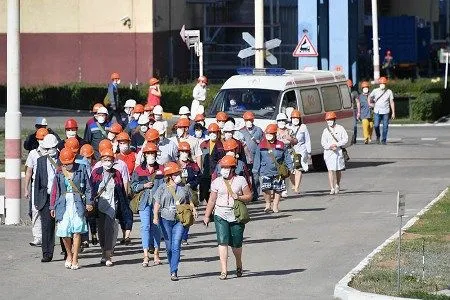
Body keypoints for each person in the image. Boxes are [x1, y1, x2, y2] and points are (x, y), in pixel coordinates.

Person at [203, 156, 253, 280]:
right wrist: (206, 215)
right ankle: (224, 270)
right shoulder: (216, 182)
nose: (224, 170)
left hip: (236, 214)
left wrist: (239, 197)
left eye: (227, 167)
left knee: (236, 244)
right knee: (222, 241)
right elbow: (212, 200)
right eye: (222, 167)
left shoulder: (240, 180)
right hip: (220, 214)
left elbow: (249, 196)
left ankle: (238, 263)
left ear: (233, 168)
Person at [153, 162, 197, 281]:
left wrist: (193, 208)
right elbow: (157, 203)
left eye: (179, 173)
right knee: (169, 247)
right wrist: (155, 217)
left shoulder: (184, 186)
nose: (179, 175)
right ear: (169, 175)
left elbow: (190, 200)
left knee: (176, 244)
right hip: (165, 219)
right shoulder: (162, 188)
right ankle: (172, 265)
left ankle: (174, 271)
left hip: (179, 219)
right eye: (176, 173)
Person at [50, 148, 92, 270]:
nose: (66, 165)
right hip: (63, 204)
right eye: (64, 163)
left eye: (69, 163)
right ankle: (69, 254)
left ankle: (75, 258)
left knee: (77, 230)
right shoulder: (59, 172)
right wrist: (52, 206)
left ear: (73, 160)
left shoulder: (81, 169)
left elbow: (88, 188)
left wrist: (89, 202)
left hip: (78, 202)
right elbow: (55, 191)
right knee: (64, 231)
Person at [91, 148, 131, 266]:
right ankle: (104, 252)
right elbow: (91, 189)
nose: (107, 161)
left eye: (109, 159)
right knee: (101, 231)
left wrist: (124, 207)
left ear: (113, 161)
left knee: (109, 229)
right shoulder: (96, 173)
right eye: (105, 159)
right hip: (99, 206)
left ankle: (108, 256)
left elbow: (121, 191)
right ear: (101, 160)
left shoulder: (117, 173)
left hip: (113, 206)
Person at [131, 142, 164, 267]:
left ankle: (156, 253)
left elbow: (167, 186)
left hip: (157, 203)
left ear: (156, 154)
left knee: (156, 227)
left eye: (152, 153)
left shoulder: (161, 169)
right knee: (145, 227)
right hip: (144, 203)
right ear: (144, 155)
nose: (151, 155)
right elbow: (133, 186)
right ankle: (145, 255)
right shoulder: (138, 170)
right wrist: (143, 186)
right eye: (148, 153)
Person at [252, 124, 293, 213]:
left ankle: (275, 205)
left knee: (277, 189)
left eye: (271, 134)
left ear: (275, 134)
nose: (269, 136)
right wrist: (255, 169)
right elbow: (257, 158)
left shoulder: (281, 144)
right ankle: (267, 204)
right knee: (265, 188)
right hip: (265, 170)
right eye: (267, 134)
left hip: (278, 171)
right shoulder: (261, 145)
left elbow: (287, 157)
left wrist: (290, 166)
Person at [33, 134, 59, 262]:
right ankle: (47, 253)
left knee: (63, 225)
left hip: (60, 198)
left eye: (51, 148)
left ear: (56, 146)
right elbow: (37, 182)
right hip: (45, 198)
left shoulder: (63, 158)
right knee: (46, 227)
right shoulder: (41, 161)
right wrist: (37, 201)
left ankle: (66, 251)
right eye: (46, 149)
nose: (48, 151)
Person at [24, 128, 49, 246]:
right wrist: (26, 188)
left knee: (49, 212)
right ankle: (37, 237)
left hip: (49, 186)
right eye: (39, 139)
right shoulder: (33, 153)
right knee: (35, 211)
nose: (41, 141)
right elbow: (29, 172)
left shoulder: (53, 153)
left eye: (43, 138)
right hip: (36, 186)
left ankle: (48, 237)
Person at [177, 141, 200, 245]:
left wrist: (191, 184)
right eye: (182, 151)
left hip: (190, 193)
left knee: (188, 215)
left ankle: (184, 237)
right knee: (178, 215)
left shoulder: (193, 166)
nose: (184, 153)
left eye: (186, 152)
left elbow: (199, 178)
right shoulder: (175, 164)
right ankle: (177, 235)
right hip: (177, 194)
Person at [321, 112, 348, 195]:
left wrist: (337, 144)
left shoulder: (340, 128)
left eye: (331, 119)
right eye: (328, 120)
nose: (329, 121)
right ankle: (332, 188)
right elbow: (323, 143)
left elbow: (345, 139)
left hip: (338, 152)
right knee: (330, 170)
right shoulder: (325, 131)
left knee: (338, 170)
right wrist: (330, 146)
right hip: (329, 153)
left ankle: (337, 185)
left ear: (334, 119)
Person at [240, 111, 263, 201]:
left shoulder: (259, 130)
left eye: (250, 120)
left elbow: (264, 142)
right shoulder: (241, 131)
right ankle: (247, 194)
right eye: (247, 120)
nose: (248, 121)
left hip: (256, 157)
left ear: (253, 120)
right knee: (245, 176)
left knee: (255, 176)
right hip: (245, 158)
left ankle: (255, 195)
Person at [199, 123, 225, 204]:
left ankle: (214, 206)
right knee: (205, 190)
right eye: (211, 132)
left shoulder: (222, 144)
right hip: (205, 171)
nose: (213, 134)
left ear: (218, 133)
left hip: (217, 171)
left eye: (215, 132)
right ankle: (209, 203)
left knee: (216, 190)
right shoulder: (203, 144)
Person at [275, 113, 298, 197]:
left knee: (288, 171)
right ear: (277, 121)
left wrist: (290, 139)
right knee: (280, 171)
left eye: (283, 120)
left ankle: (286, 188)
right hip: (278, 153)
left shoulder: (290, 131)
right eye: (280, 120)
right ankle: (281, 189)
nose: (281, 122)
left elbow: (296, 141)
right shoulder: (275, 131)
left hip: (289, 152)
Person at [289, 109, 311, 193]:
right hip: (291, 150)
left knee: (298, 168)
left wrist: (309, 152)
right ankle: (294, 183)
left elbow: (307, 140)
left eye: (297, 118)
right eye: (293, 118)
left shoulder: (303, 127)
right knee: (290, 170)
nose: (295, 120)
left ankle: (297, 187)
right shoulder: (288, 127)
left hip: (301, 150)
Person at [368, 77, 395, 145]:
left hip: (386, 112)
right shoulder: (375, 90)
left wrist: (393, 112)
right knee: (376, 125)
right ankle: (378, 136)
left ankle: (383, 140)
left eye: (384, 83)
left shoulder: (389, 91)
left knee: (385, 127)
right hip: (377, 111)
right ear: (379, 84)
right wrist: (369, 103)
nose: (382, 84)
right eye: (381, 83)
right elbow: (369, 96)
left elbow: (391, 102)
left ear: (385, 84)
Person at [347, 79, 361, 144]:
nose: (349, 87)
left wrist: (358, 112)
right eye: (348, 86)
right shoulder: (343, 92)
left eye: (350, 86)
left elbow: (358, 102)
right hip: (346, 111)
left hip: (353, 110)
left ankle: (354, 139)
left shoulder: (354, 92)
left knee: (354, 126)